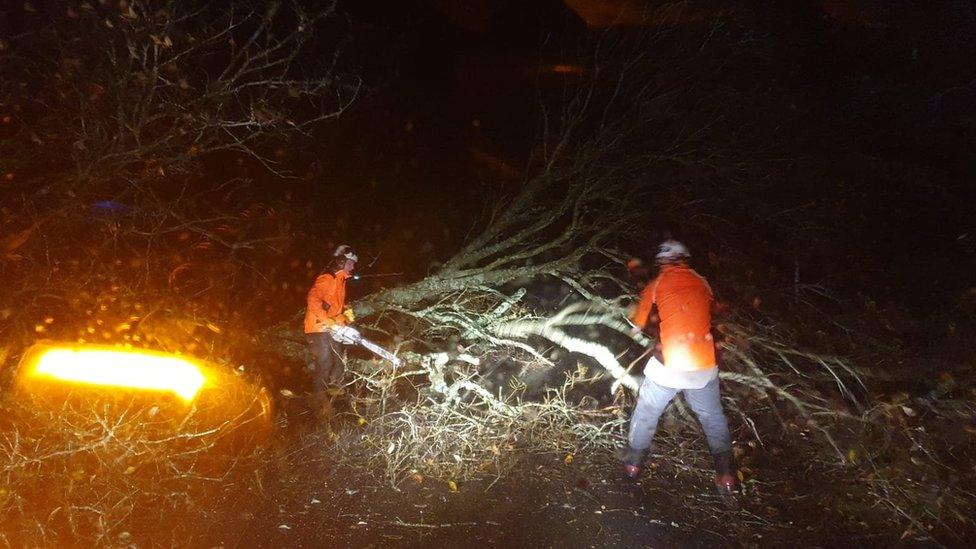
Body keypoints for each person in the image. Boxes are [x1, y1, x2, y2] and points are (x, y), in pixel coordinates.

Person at [623, 239, 739, 495]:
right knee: (712, 417)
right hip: (704, 365)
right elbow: (712, 314)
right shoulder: (702, 282)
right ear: (685, 259)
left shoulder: (656, 285)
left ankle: (633, 465)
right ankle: (727, 474)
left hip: (669, 366)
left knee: (647, 410)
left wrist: (638, 321)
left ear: (661, 262)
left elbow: (637, 324)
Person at [304, 245, 358, 405]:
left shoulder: (341, 281)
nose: (353, 266)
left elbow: (335, 308)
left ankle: (336, 393)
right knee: (325, 360)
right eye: (351, 262)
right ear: (342, 261)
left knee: (339, 360)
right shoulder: (327, 278)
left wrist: (345, 315)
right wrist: (325, 318)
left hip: (330, 328)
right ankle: (318, 397)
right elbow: (313, 299)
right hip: (318, 327)